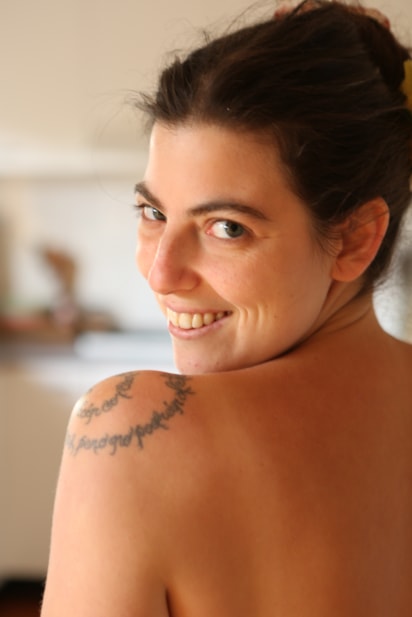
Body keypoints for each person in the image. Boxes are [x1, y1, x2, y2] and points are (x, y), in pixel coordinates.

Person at [41, 1, 412, 615]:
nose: (161, 273)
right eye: (153, 213)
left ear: (354, 238)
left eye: (227, 228)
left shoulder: (131, 432)